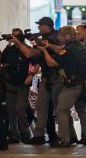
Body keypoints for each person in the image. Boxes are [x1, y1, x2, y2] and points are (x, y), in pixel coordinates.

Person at [38, 26, 86, 147]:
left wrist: (44, 51)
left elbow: (51, 62)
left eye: (61, 35)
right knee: (82, 111)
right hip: (83, 83)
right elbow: (62, 50)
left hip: (72, 85)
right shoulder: (80, 46)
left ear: (67, 36)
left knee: (61, 109)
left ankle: (64, 139)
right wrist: (49, 46)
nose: (59, 38)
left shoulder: (68, 50)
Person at [10, 17, 60, 145]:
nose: (38, 28)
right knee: (44, 107)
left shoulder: (51, 38)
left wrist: (18, 42)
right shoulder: (51, 37)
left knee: (56, 109)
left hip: (54, 77)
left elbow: (30, 54)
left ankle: (57, 136)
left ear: (46, 26)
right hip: (48, 77)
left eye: (40, 25)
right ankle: (43, 135)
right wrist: (33, 39)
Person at [0, 28, 39, 144]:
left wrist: (31, 75)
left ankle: (26, 134)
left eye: (16, 36)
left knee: (19, 109)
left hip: (23, 84)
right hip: (10, 83)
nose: (14, 38)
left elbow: (37, 63)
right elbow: (1, 61)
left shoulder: (27, 49)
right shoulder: (9, 50)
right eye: (12, 36)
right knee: (10, 110)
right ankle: (14, 135)